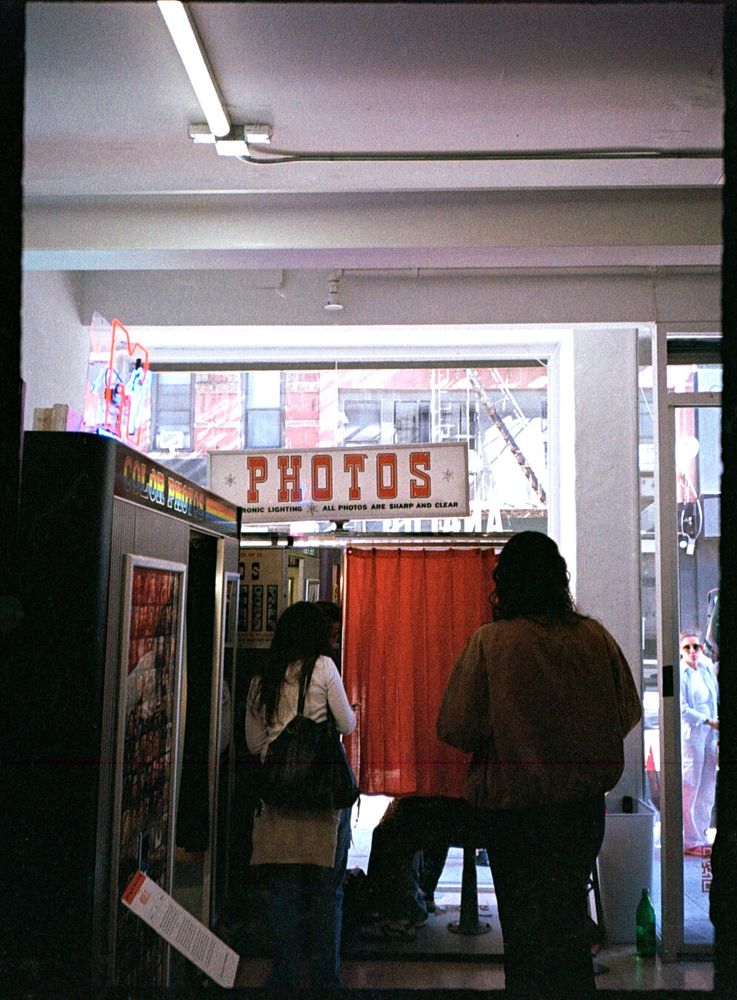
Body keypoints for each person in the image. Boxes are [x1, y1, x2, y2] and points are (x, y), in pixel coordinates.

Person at [437, 531, 642, 999]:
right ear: (558, 579)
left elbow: (455, 727)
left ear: (505, 583)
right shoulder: (594, 637)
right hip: (580, 815)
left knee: (525, 940)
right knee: (568, 927)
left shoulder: (491, 643)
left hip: (514, 819)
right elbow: (628, 712)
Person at [245, 601, 356, 990]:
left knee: (283, 891)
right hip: (321, 799)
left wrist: (281, 755)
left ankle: (285, 976)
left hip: (279, 799)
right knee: (328, 891)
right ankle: (326, 979)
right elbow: (346, 724)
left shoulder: (263, 676)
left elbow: (253, 743)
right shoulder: (324, 668)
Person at [679, 630, 719, 855]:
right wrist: (707, 721)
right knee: (690, 786)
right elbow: (682, 709)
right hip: (693, 735)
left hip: (710, 735)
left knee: (707, 787)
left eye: (696, 646)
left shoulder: (705, 669)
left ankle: (702, 835)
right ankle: (690, 840)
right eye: (687, 647)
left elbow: (715, 699)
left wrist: (715, 728)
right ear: (681, 651)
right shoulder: (682, 674)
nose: (693, 651)